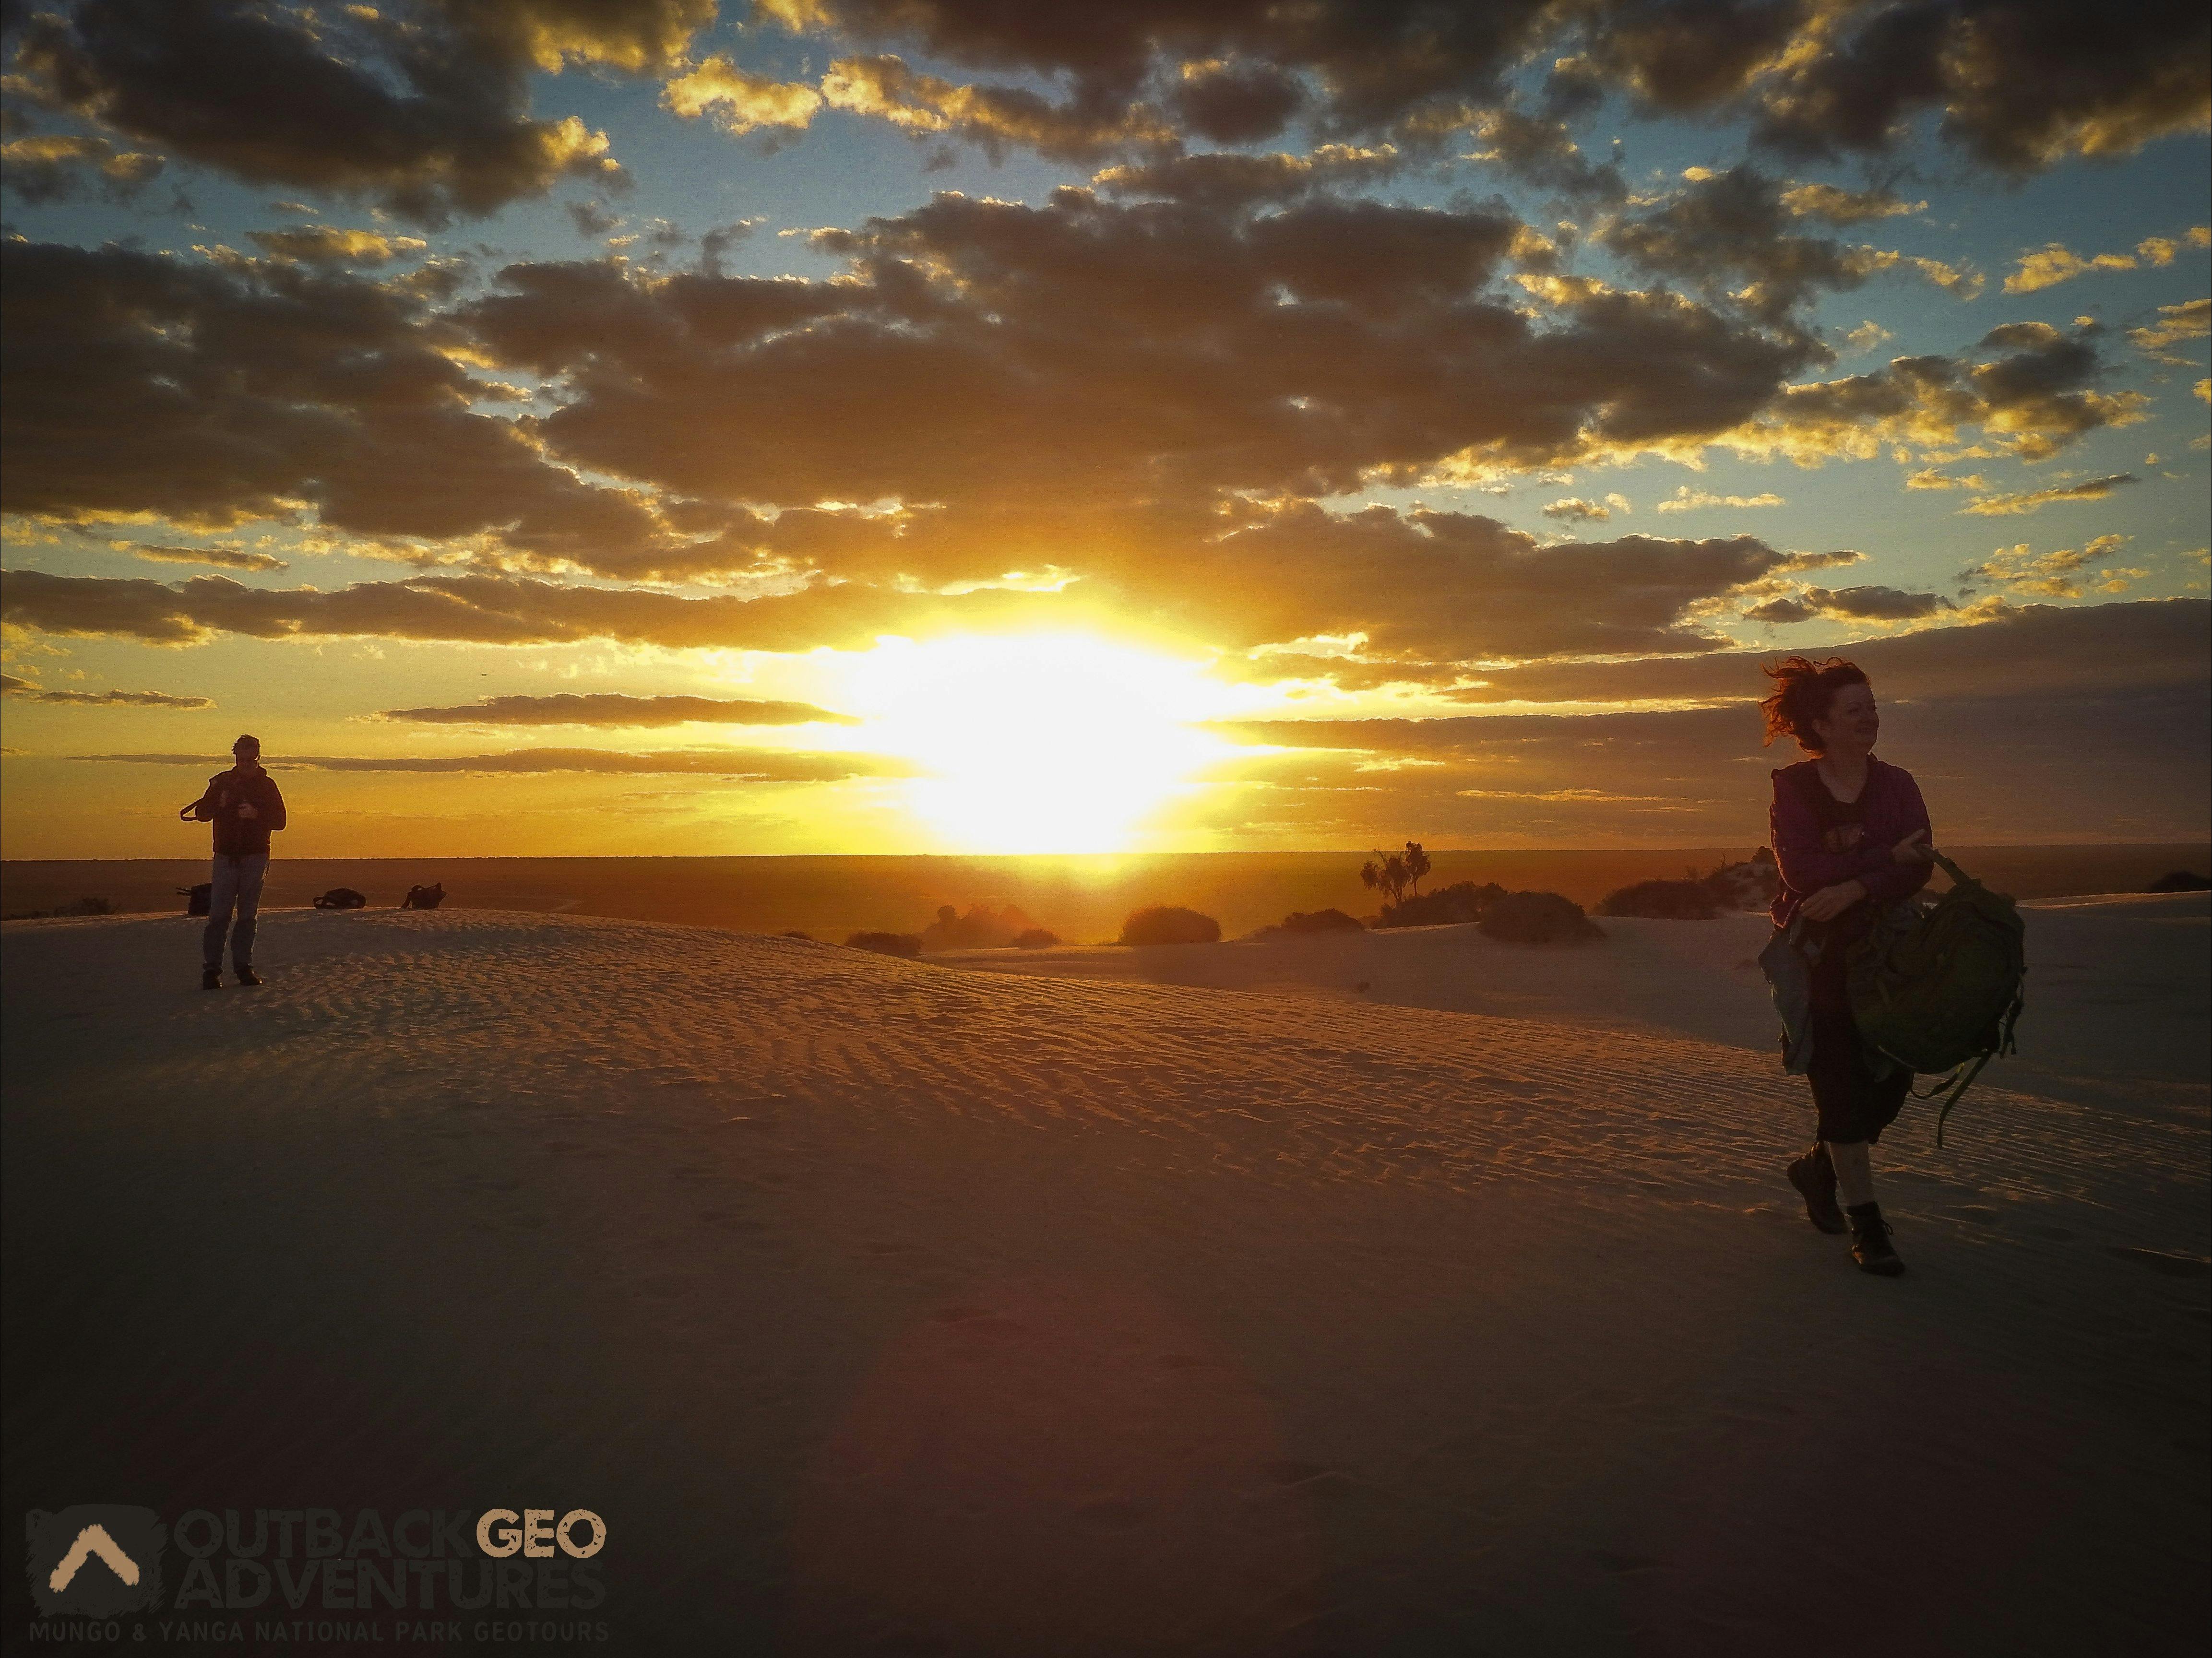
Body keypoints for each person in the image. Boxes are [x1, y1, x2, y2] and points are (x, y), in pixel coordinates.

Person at [1760, 658, 1933, 1276]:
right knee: (1836, 1083)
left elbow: (1919, 863)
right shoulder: (1794, 787)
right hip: (1819, 957)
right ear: (1820, 724)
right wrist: (1883, 858)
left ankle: (1818, 1168)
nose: (1869, 718)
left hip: (1889, 953)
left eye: (1872, 707)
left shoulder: (1898, 785)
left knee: (1885, 1088)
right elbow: (1801, 873)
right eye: (1854, 710)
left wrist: (1858, 886)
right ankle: (1867, 1225)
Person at [185, 734, 287, 990]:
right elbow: (201, 814)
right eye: (242, 759)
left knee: (247, 916)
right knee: (219, 915)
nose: (246, 764)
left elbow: (281, 822)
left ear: (258, 757)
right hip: (226, 857)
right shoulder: (221, 783)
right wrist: (218, 804)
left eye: (251, 759)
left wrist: (256, 814)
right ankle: (212, 970)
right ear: (236, 757)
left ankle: (244, 968)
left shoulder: (268, 786)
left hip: (256, 856)